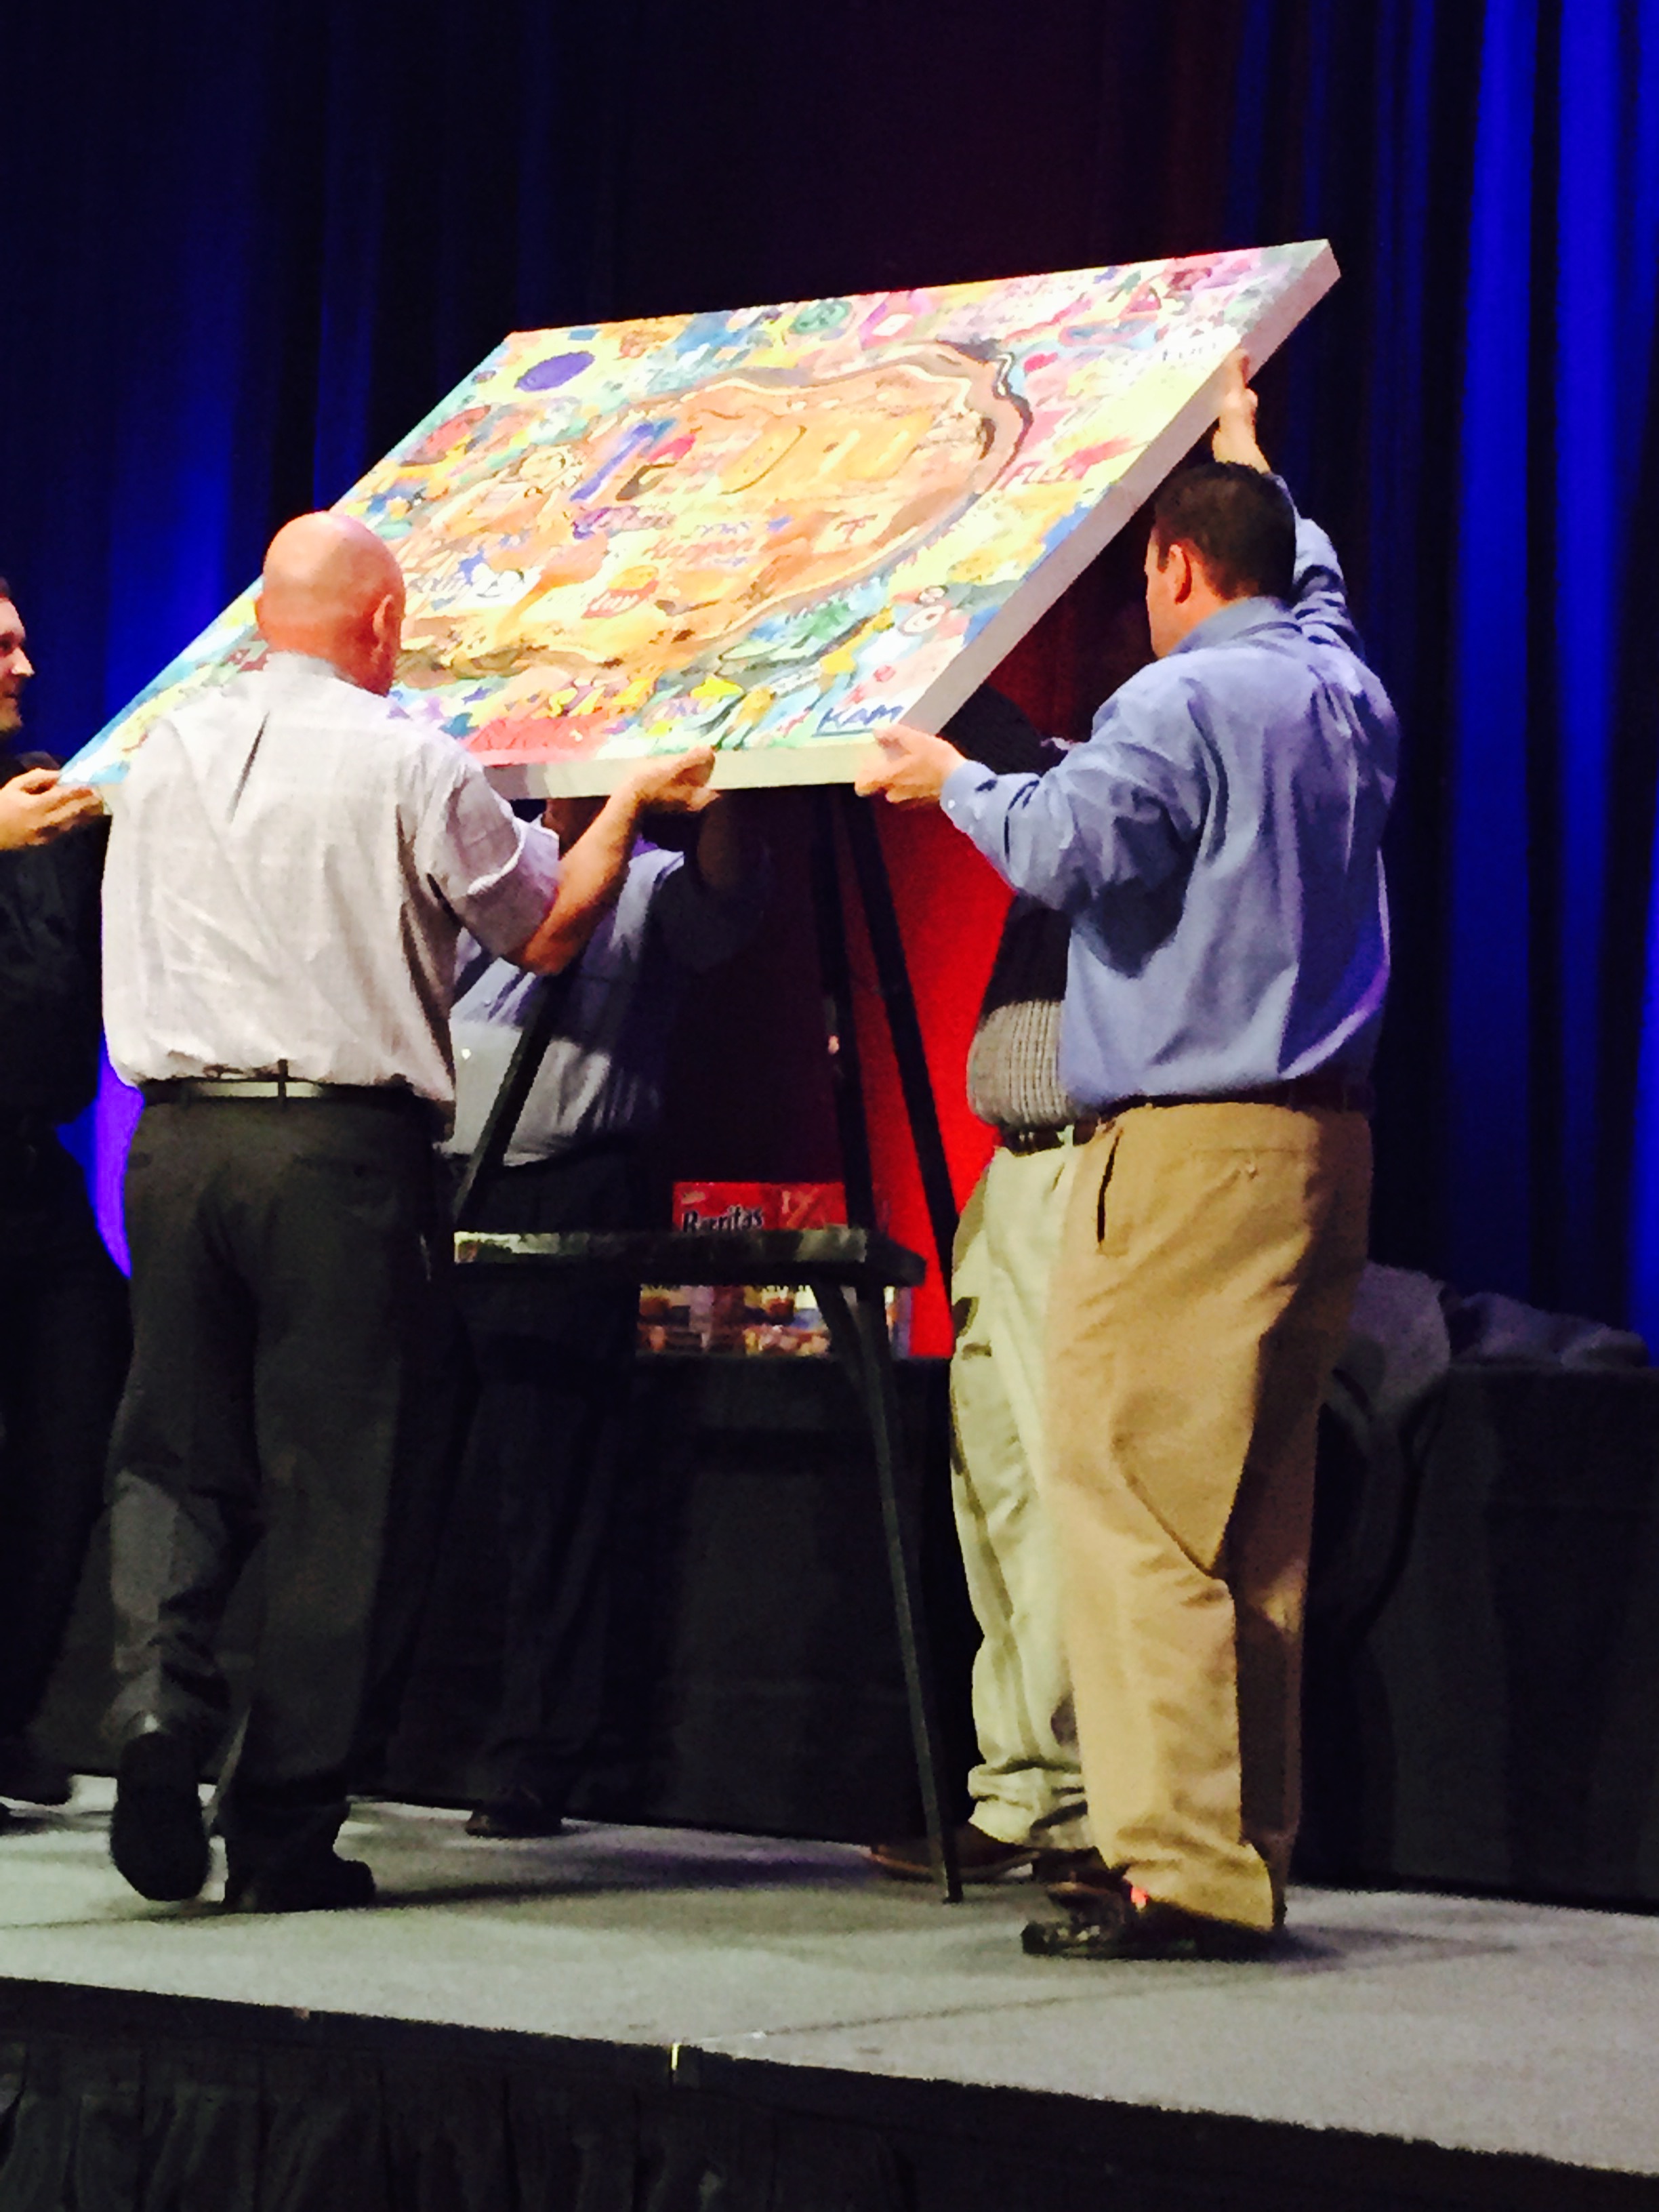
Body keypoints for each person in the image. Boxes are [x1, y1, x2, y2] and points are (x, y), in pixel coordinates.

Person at [100, 510, 716, 1912]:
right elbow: (545, 929)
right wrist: (626, 806)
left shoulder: (165, 750)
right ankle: (280, 1830)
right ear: (382, 627)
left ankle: (152, 1710)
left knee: (173, 1454)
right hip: (339, 1153)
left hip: (175, 1144)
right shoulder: (409, 759)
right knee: (345, 1486)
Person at [857, 354, 1395, 1958]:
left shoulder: (1178, 701)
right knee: (1250, 1525)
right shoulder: (1339, 684)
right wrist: (1248, 452)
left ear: (1170, 567)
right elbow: (1312, 582)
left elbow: (1068, 842)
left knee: (1131, 1503)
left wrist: (951, 780)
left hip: (1185, 1153)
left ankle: (1171, 1861)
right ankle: (1233, 1845)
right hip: (1320, 1148)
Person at [445, 788, 764, 1840]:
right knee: (400, 1466)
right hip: (419, 1181)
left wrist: (735, 789)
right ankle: (373, 1730)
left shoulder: (649, 882)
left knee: (553, 1479)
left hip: (565, 1187)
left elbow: (724, 916)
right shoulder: (472, 853)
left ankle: (538, 1753)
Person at [865, 692, 1090, 1884]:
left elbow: (1034, 774)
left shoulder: (1111, 796)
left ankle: (1086, 1798)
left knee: (1056, 1484)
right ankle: (1023, 1792)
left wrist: (940, 683)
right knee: (993, 1478)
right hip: (1011, 1171)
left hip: (1084, 1163)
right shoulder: (1068, 792)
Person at [0, 581, 127, 1824]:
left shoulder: (44, 804)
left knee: (72, 1422)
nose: (26, 664)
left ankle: (9, 1715)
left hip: (31, 1169)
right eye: (1, 645)